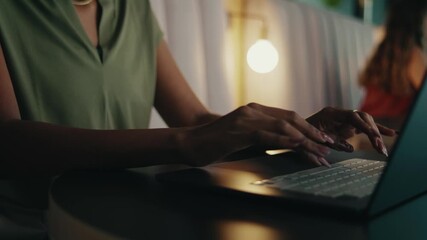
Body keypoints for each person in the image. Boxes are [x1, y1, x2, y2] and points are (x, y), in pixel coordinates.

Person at [0, 0, 394, 178]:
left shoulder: (131, 9)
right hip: (37, 221)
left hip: (124, 208)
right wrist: (185, 143)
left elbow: (195, 120)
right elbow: (9, 142)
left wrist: (297, 131)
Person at [358, 0, 427, 129]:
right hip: (386, 133)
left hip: (363, 128)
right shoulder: (413, 54)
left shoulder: (384, 52)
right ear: (419, 19)